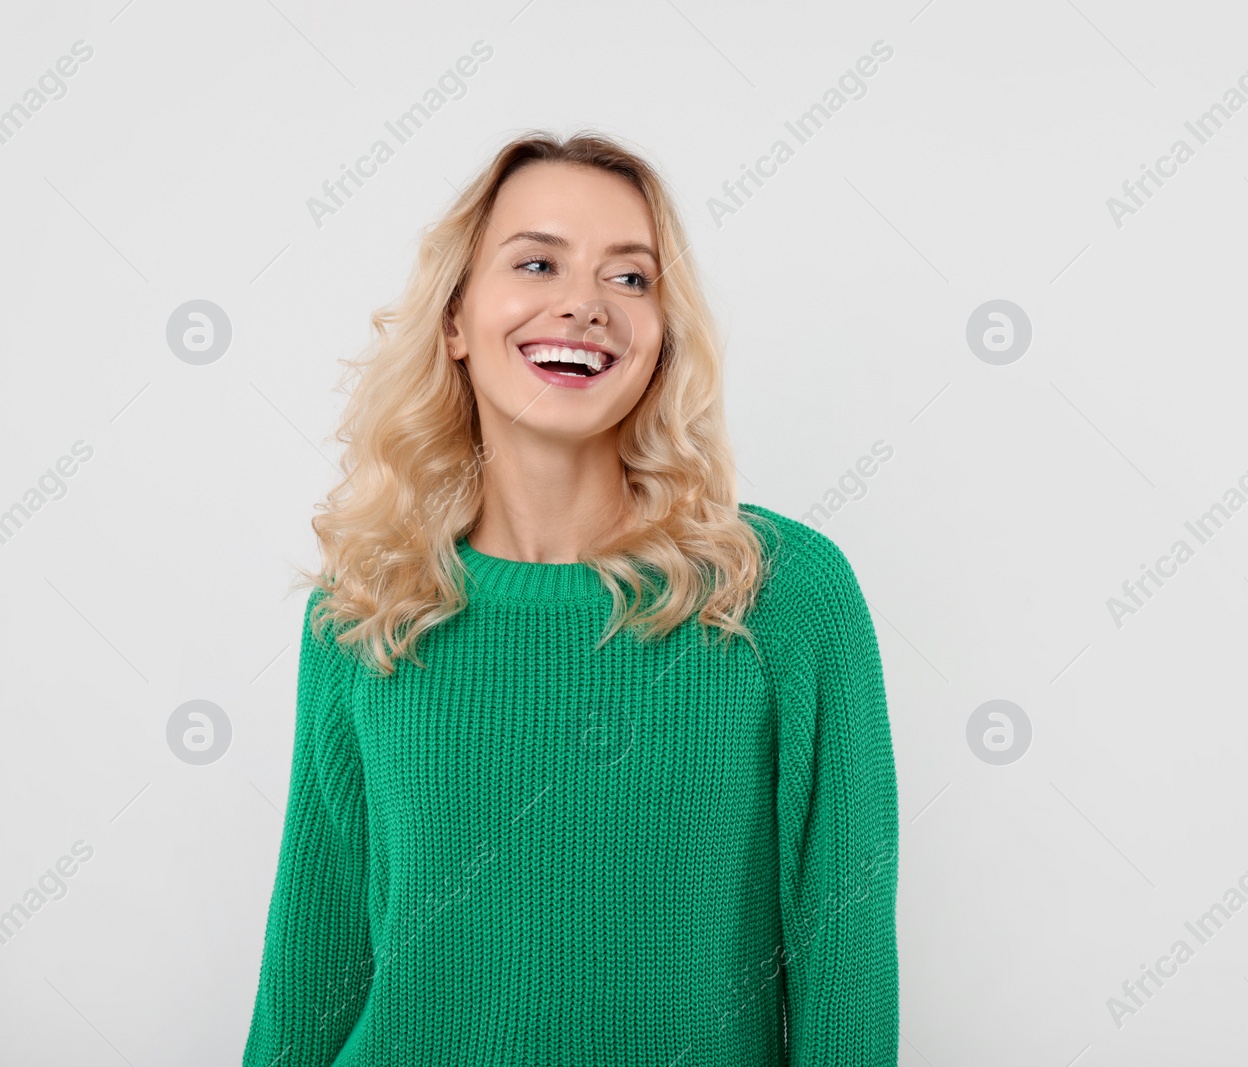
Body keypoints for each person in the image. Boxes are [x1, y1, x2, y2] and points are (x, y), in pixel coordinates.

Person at [241, 129, 899, 1066]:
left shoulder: (780, 592)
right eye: (538, 262)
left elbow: (847, 961)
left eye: (630, 279)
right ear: (457, 319)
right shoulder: (371, 604)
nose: (585, 304)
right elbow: (317, 951)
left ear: (664, 336)